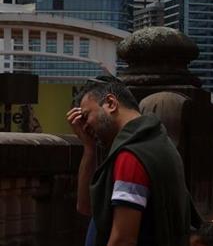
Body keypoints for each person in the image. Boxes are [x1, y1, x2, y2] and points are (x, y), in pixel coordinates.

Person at [67, 76, 194, 246]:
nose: (84, 125)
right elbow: (87, 207)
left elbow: (123, 239)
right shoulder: (158, 142)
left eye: (86, 115)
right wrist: (89, 149)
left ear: (111, 103)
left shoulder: (131, 157)